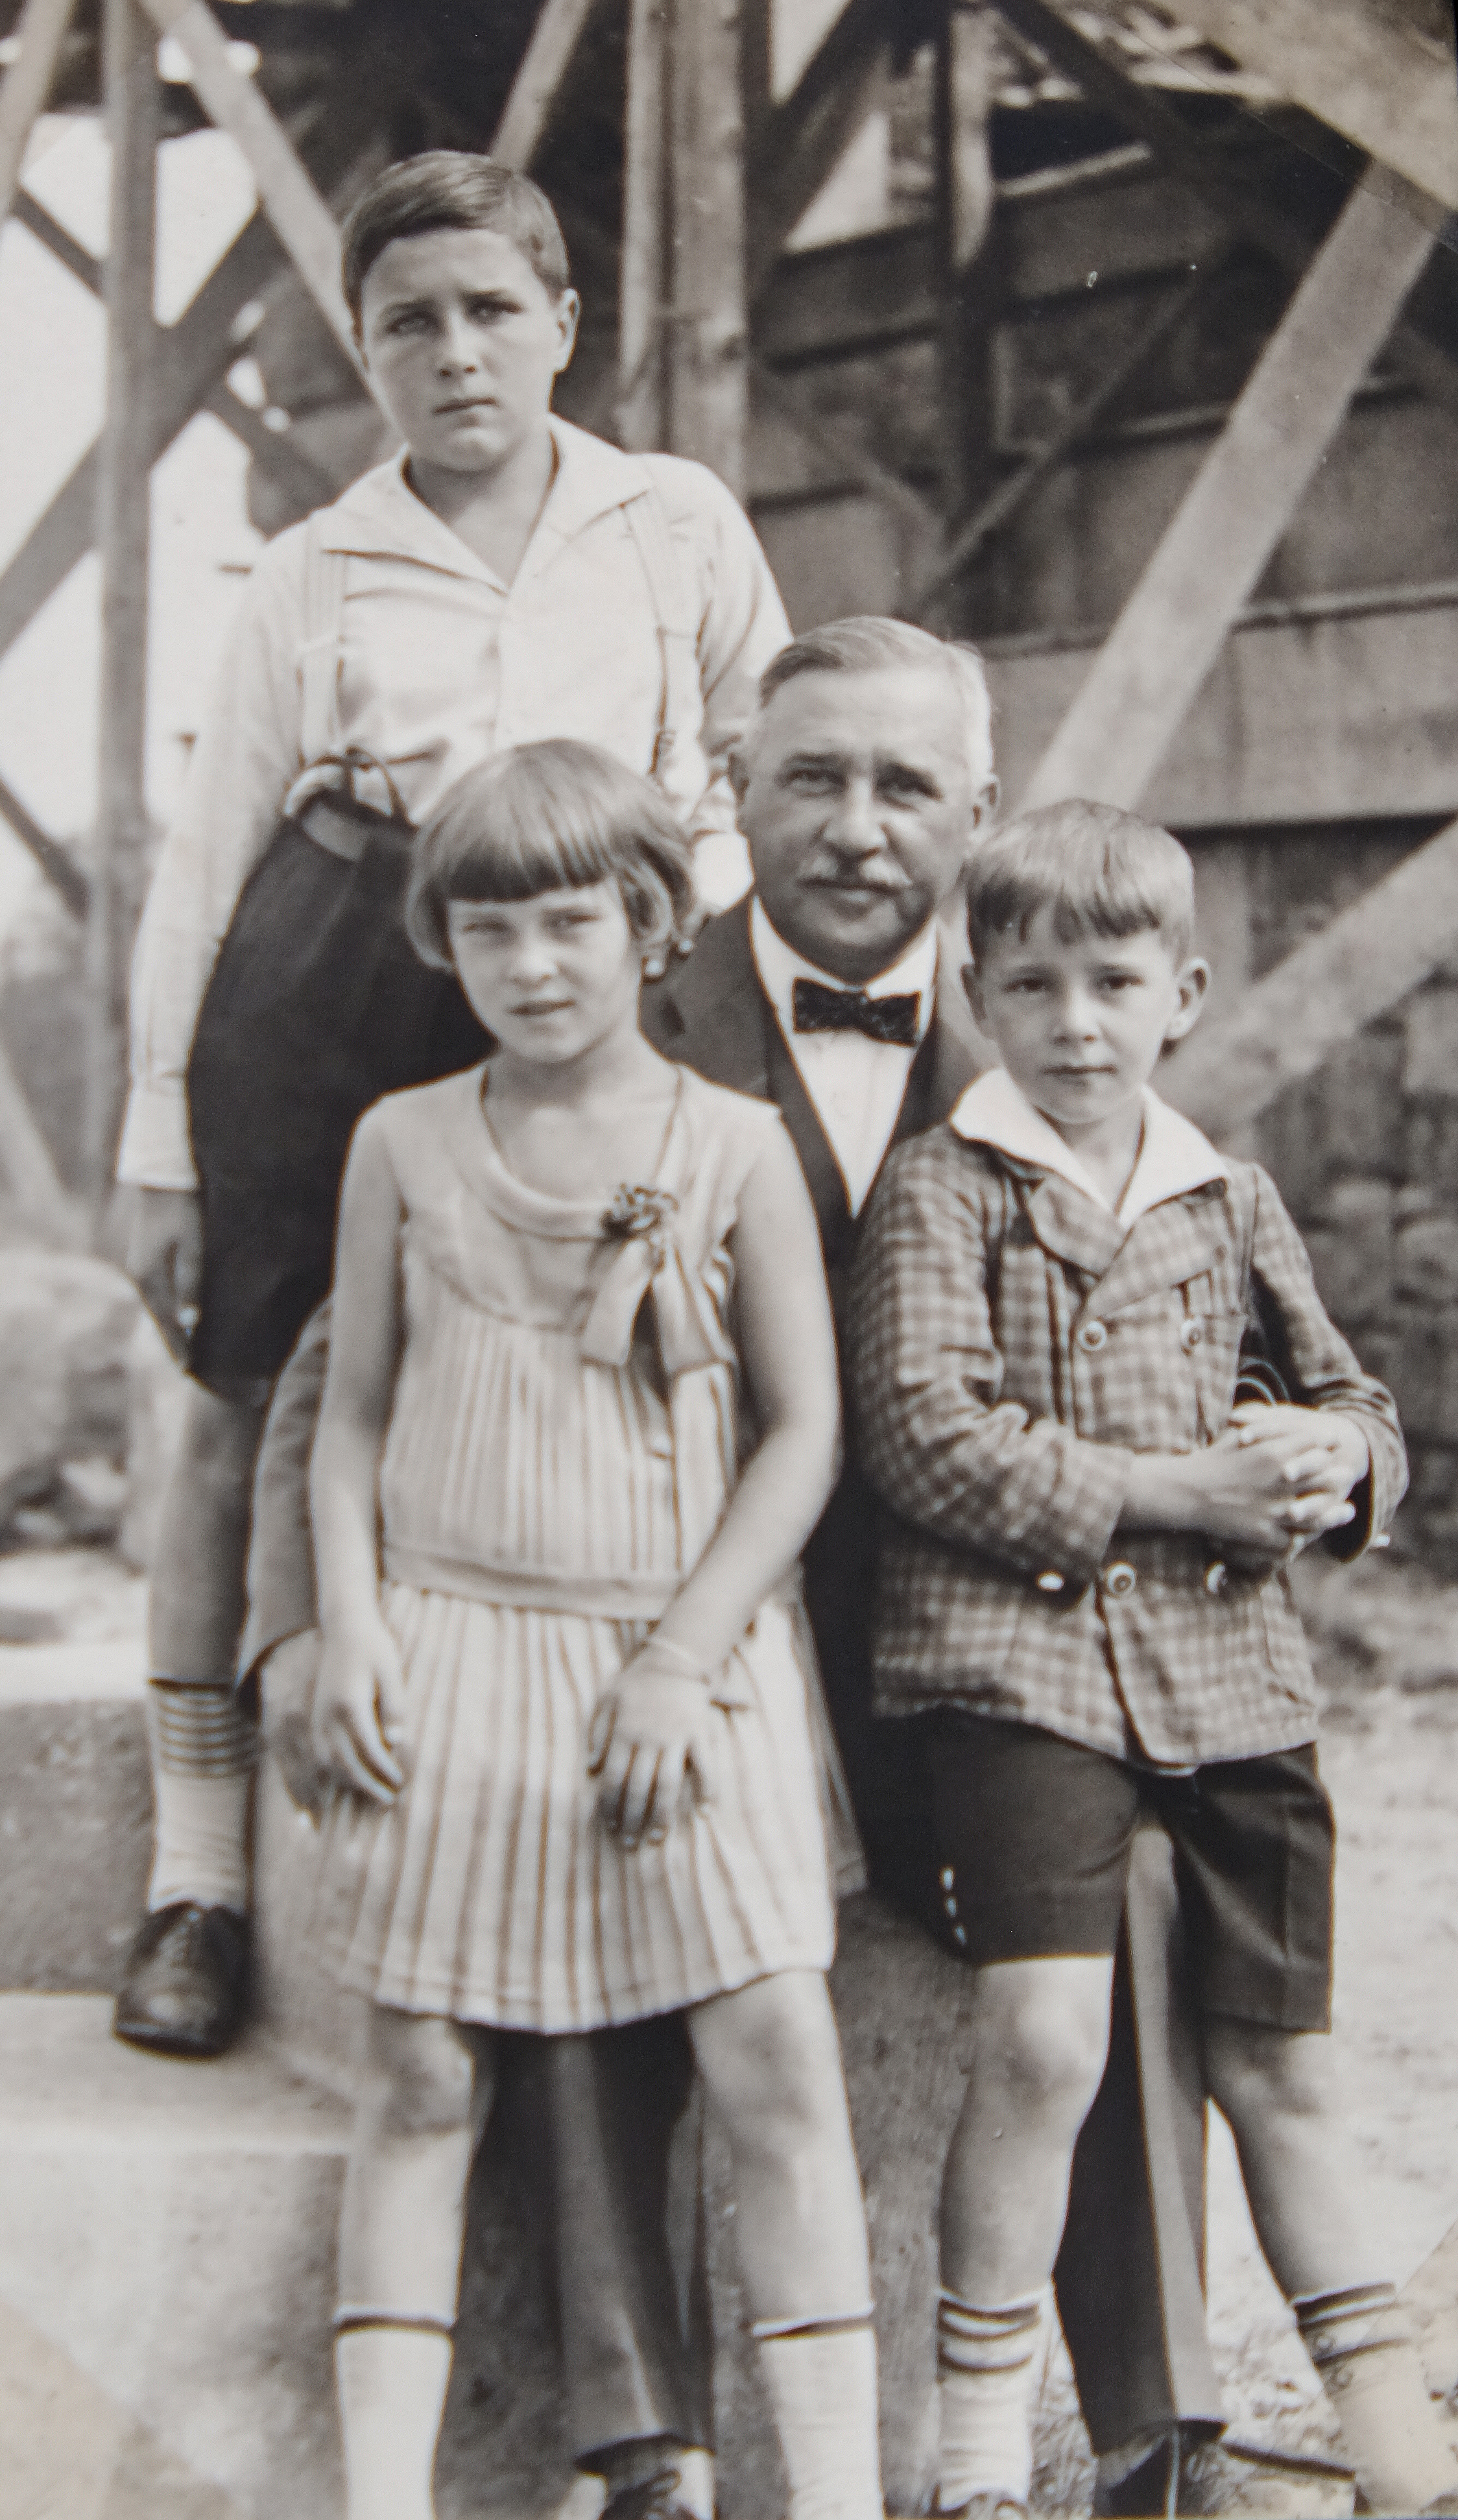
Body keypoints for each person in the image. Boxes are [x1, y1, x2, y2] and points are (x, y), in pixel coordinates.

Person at [247, 619, 1233, 2510]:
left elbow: (1185, 1334)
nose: (857, 827)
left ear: (981, 810)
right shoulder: (587, 988)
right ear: (732, 801)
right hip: (644, 1610)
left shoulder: (1054, 1016)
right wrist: (306, 1627)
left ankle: (1152, 2421)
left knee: (1119, 1877)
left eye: (906, 786)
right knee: (562, 1914)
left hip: (966, 1639)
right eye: (811, 780)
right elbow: (343, 1375)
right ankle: (651, 2441)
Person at [112, 146, 787, 2059]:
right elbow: (206, 862)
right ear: (366, 350)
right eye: (409, 322)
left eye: (494, 309)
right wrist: (160, 1144)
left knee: (635, 1355)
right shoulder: (313, 570)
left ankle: (672, 1788)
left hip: (592, 962)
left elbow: (768, 749)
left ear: (564, 323)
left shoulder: (672, 521)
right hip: (338, 973)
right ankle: (198, 1879)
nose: (457, 352)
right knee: (244, 1393)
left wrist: (684, 912)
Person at [849, 798, 1458, 2520]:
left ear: (1181, 995)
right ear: (976, 998)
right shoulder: (943, 1188)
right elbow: (924, 1434)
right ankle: (978, 2456)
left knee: (1285, 2064)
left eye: (1113, 985)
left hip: (1231, 1685)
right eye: (1031, 989)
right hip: (1018, 1673)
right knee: (1045, 2040)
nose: (1074, 1026)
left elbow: (1352, 1396)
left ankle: (1392, 2442)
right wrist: (1176, 1491)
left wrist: (1341, 1461)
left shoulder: (1227, 1195)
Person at [308, 737, 881, 2520]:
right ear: (445, 945)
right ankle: (383, 2498)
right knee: (417, 2070)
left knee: (774, 2046)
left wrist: (681, 1660)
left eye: (569, 923)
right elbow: (347, 1419)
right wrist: (349, 1624)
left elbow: (804, 1433)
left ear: (650, 924)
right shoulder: (401, 1142)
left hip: (678, 1665)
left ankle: (839, 2493)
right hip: (455, 1649)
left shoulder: (734, 1149)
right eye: (489, 930)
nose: (531, 965)